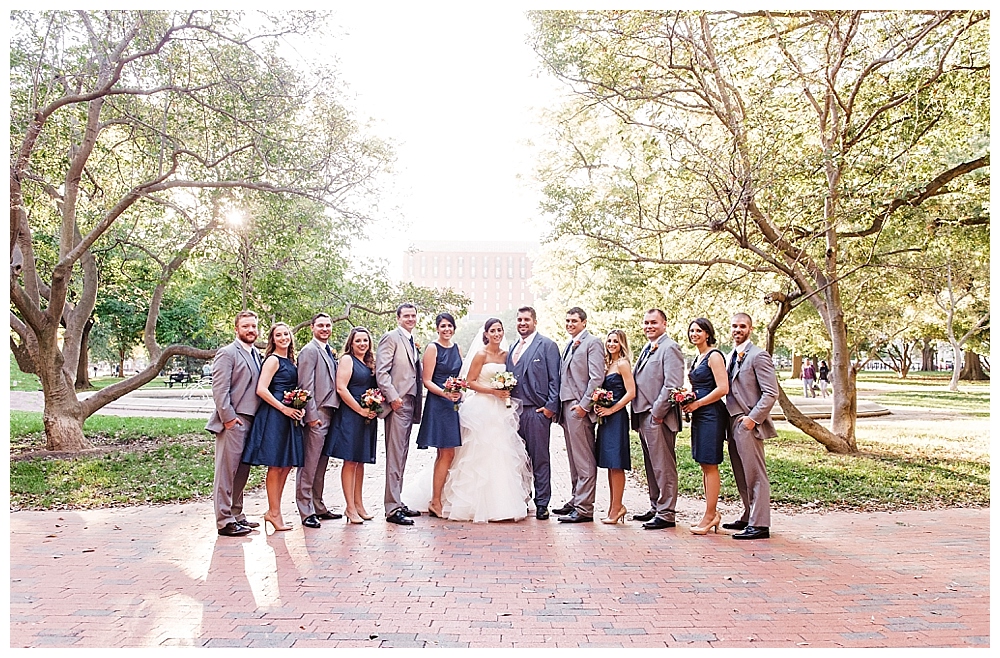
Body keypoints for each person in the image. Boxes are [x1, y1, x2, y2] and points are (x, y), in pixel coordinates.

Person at [439, 318, 532, 522]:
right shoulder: (481, 354)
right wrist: (492, 390)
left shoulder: (507, 355)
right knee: (478, 453)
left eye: (500, 330)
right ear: (486, 334)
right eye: (493, 330)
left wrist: (505, 390)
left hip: (500, 409)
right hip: (481, 407)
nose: (497, 334)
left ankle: (503, 503)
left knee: (501, 452)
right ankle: (472, 503)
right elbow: (469, 382)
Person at [240, 322, 305, 532]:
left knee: (286, 465)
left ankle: (274, 511)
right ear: (273, 339)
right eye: (279, 335)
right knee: (276, 465)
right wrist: (283, 409)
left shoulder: (290, 361)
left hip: (289, 415)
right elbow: (261, 389)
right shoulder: (273, 360)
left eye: (286, 334)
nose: (284, 337)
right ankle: (274, 512)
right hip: (275, 416)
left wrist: (298, 406)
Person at [723, 312, 780, 540]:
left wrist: (752, 419)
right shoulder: (730, 355)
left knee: (755, 474)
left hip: (748, 423)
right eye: (734, 326)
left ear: (751, 329)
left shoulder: (759, 356)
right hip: (732, 422)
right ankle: (748, 514)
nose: (738, 330)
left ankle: (760, 524)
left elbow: (770, 393)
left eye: (742, 326)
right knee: (741, 472)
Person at [207, 310, 263, 537]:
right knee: (226, 472)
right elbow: (220, 389)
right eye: (246, 326)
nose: (251, 330)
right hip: (234, 420)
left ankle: (237, 514)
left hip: (252, 420)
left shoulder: (257, 354)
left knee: (242, 471)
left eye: (253, 326)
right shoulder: (227, 353)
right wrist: (229, 417)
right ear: (236, 329)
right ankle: (224, 520)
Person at [630, 308, 685, 530]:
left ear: (664, 324)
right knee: (652, 466)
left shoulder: (670, 348)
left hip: (658, 417)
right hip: (643, 414)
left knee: (664, 466)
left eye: (653, 322)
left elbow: (672, 384)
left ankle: (667, 512)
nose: (649, 326)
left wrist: (657, 413)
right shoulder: (647, 347)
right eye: (646, 323)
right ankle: (655, 506)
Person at [505, 306, 561, 520]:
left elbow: (555, 379)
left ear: (535, 322)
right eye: (519, 319)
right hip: (513, 412)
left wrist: (549, 409)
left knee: (539, 458)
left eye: (526, 319)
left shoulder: (547, 345)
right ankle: (521, 498)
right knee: (518, 458)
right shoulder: (512, 347)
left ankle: (542, 503)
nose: (522, 323)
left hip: (536, 412)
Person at [554, 307, 606, 523]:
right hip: (566, 407)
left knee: (584, 459)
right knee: (574, 459)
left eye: (574, 320)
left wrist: (584, 406)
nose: (570, 324)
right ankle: (576, 499)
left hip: (579, 407)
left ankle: (585, 508)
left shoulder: (592, 343)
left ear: (584, 322)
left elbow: (596, 378)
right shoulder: (569, 344)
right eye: (567, 320)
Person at [325, 327, 380, 524]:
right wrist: (360, 410)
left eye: (365, 340)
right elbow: (341, 388)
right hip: (351, 414)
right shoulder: (347, 360)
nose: (362, 344)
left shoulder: (369, 362)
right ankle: (349, 507)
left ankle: (359, 504)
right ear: (351, 343)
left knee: (360, 460)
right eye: (358, 341)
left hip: (366, 414)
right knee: (349, 461)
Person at [680, 318, 730, 535]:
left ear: (708, 333)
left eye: (699, 330)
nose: (694, 334)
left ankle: (710, 516)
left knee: (710, 463)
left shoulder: (714, 356)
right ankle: (712, 512)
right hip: (699, 415)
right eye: (691, 330)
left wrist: (698, 402)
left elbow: (723, 388)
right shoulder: (698, 357)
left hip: (711, 415)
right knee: (703, 463)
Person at [375, 303, 423, 526]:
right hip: (398, 403)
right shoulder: (391, 338)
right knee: (395, 456)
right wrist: (393, 397)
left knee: (402, 455)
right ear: (398, 318)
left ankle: (397, 500)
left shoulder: (412, 341)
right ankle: (392, 508)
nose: (410, 319)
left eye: (413, 316)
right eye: (406, 316)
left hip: (411, 403)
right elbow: (381, 372)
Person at [295, 312, 343, 529]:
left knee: (321, 464)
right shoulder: (309, 351)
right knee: (309, 464)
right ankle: (306, 511)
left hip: (331, 413)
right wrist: (312, 417)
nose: (325, 329)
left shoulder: (328, 351)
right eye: (321, 325)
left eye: (328, 325)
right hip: (317, 414)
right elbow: (305, 386)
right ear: (312, 327)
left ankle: (318, 505)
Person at [415, 312, 464, 519]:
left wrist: (459, 391)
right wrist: (445, 393)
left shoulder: (457, 348)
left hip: (453, 405)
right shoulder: (432, 348)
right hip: (438, 404)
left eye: (450, 326)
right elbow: (426, 380)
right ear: (437, 328)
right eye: (443, 326)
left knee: (446, 453)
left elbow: (460, 377)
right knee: (446, 453)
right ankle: (435, 500)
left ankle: (436, 499)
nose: (446, 329)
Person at [593, 329, 635, 525]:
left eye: (615, 341)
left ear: (622, 344)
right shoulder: (608, 365)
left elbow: (631, 392)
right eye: (609, 341)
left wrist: (612, 410)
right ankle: (615, 507)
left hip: (616, 418)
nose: (611, 344)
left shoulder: (622, 364)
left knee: (616, 463)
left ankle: (617, 507)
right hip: (606, 419)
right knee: (610, 463)